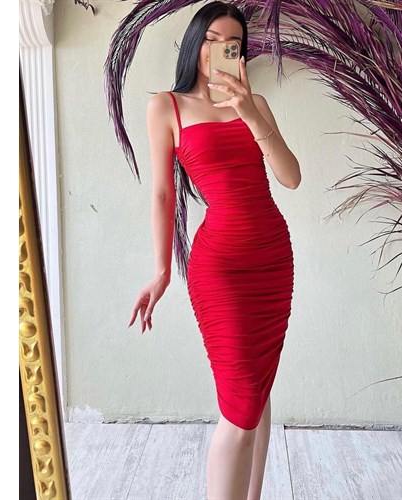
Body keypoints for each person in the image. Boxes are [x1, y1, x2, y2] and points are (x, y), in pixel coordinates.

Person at [127, 2, 301, 498]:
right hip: (220, 266)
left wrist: (247, 110)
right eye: (211, 39)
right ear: (194, 41)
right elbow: (163, 194)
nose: (220, 50)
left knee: (258, 388)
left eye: (232, 44)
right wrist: (161, 270)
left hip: (273, 258)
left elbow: (291, 177)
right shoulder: (166, 106)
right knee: (242, 403)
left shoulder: (255, 103)